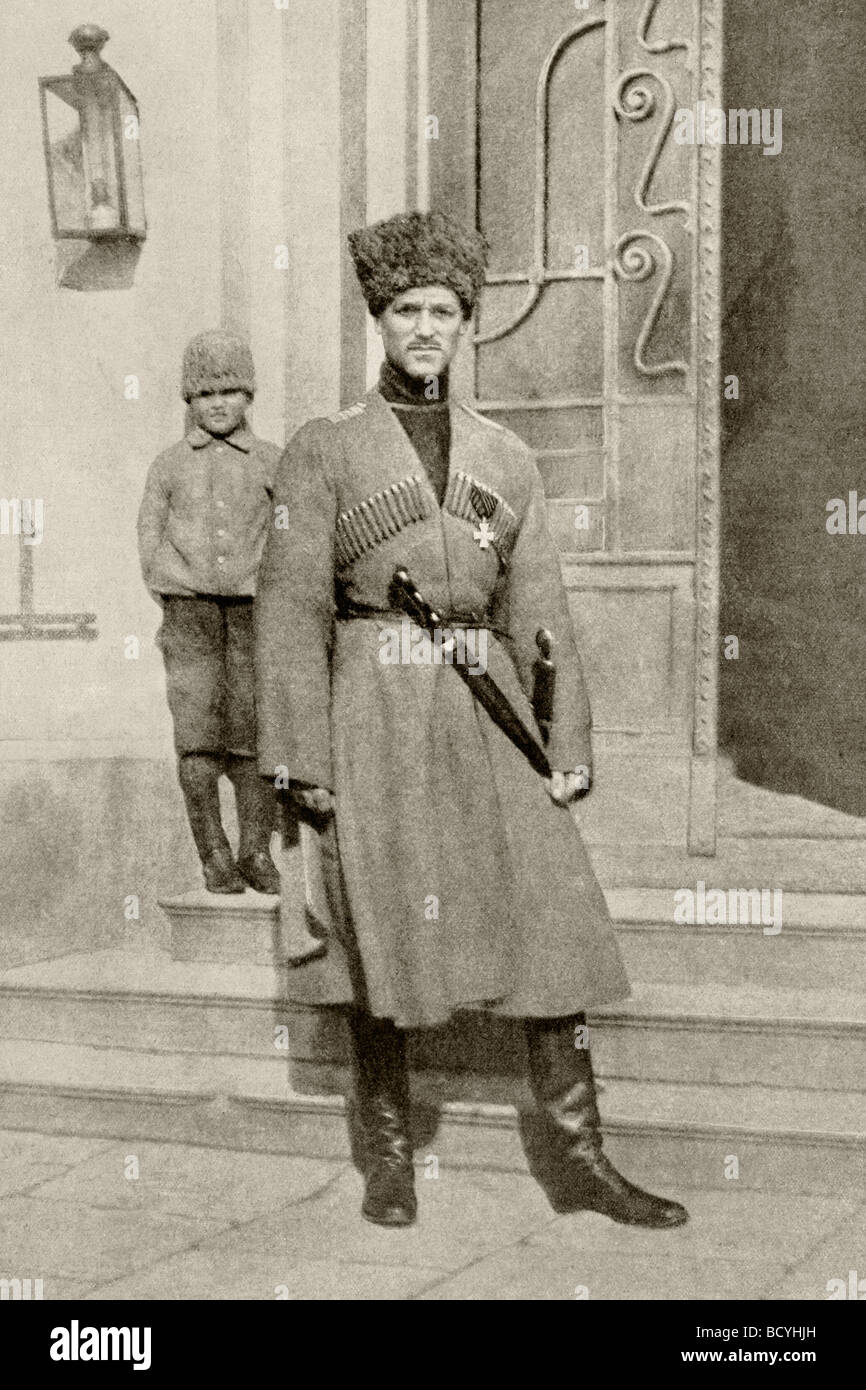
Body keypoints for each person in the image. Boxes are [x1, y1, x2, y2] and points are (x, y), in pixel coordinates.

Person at [255, 211, 687, 1230]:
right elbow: (287, 611)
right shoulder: (323, 450)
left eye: (441, 311)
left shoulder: (509, 456)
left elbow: (537, 612)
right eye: (404, 309)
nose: (423, 328)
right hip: (372, 703)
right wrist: (301, 761)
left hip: (483, 702)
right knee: (383, 930)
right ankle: (390, 1159)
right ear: (380, 320)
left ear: (464, 325)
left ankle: (580, 1158)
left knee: (555, 927)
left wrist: (565, 742)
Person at [138, 330, 281, 895]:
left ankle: (255, 851)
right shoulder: (169, 465)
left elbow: (290, 533)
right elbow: (148, 536)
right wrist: (173, 586)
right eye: (203, 394)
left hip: (253, 616)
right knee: (197, 741)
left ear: (249, 395)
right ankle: (214, 854)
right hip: (190, 618)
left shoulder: (273, 461)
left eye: (229, 390)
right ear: (188, 400)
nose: (217, 403)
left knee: (252, 740)